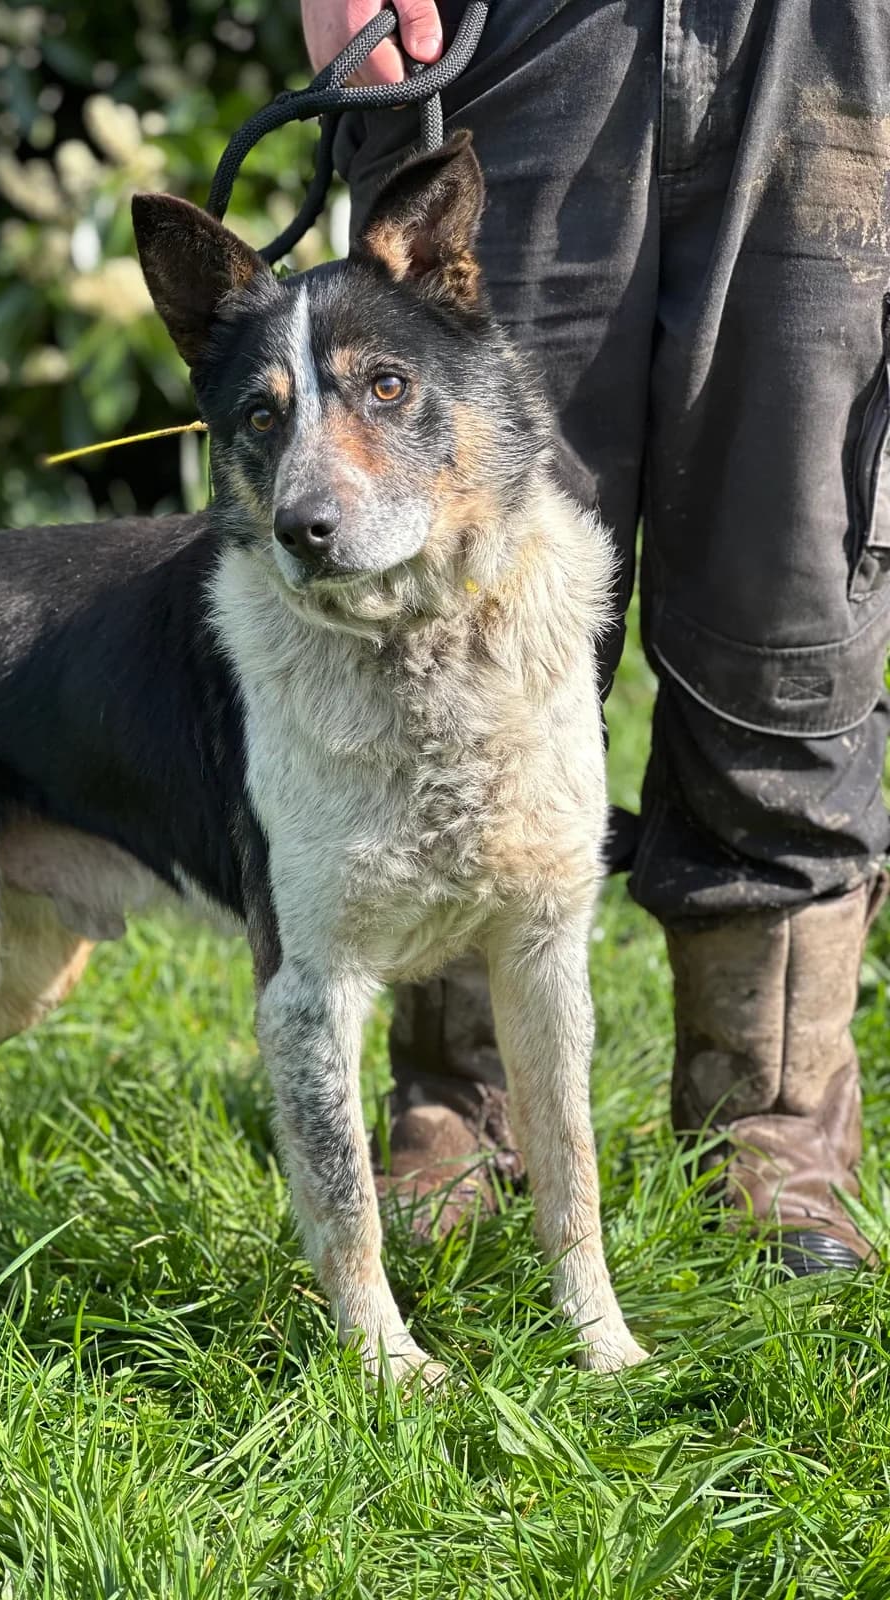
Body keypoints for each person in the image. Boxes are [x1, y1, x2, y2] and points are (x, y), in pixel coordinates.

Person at [301, 0, 890, 1271]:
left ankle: (773, 1127)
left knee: (789, 592)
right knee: (449, 576)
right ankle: (455, 1104)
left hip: (834, 39)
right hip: (508, 31)